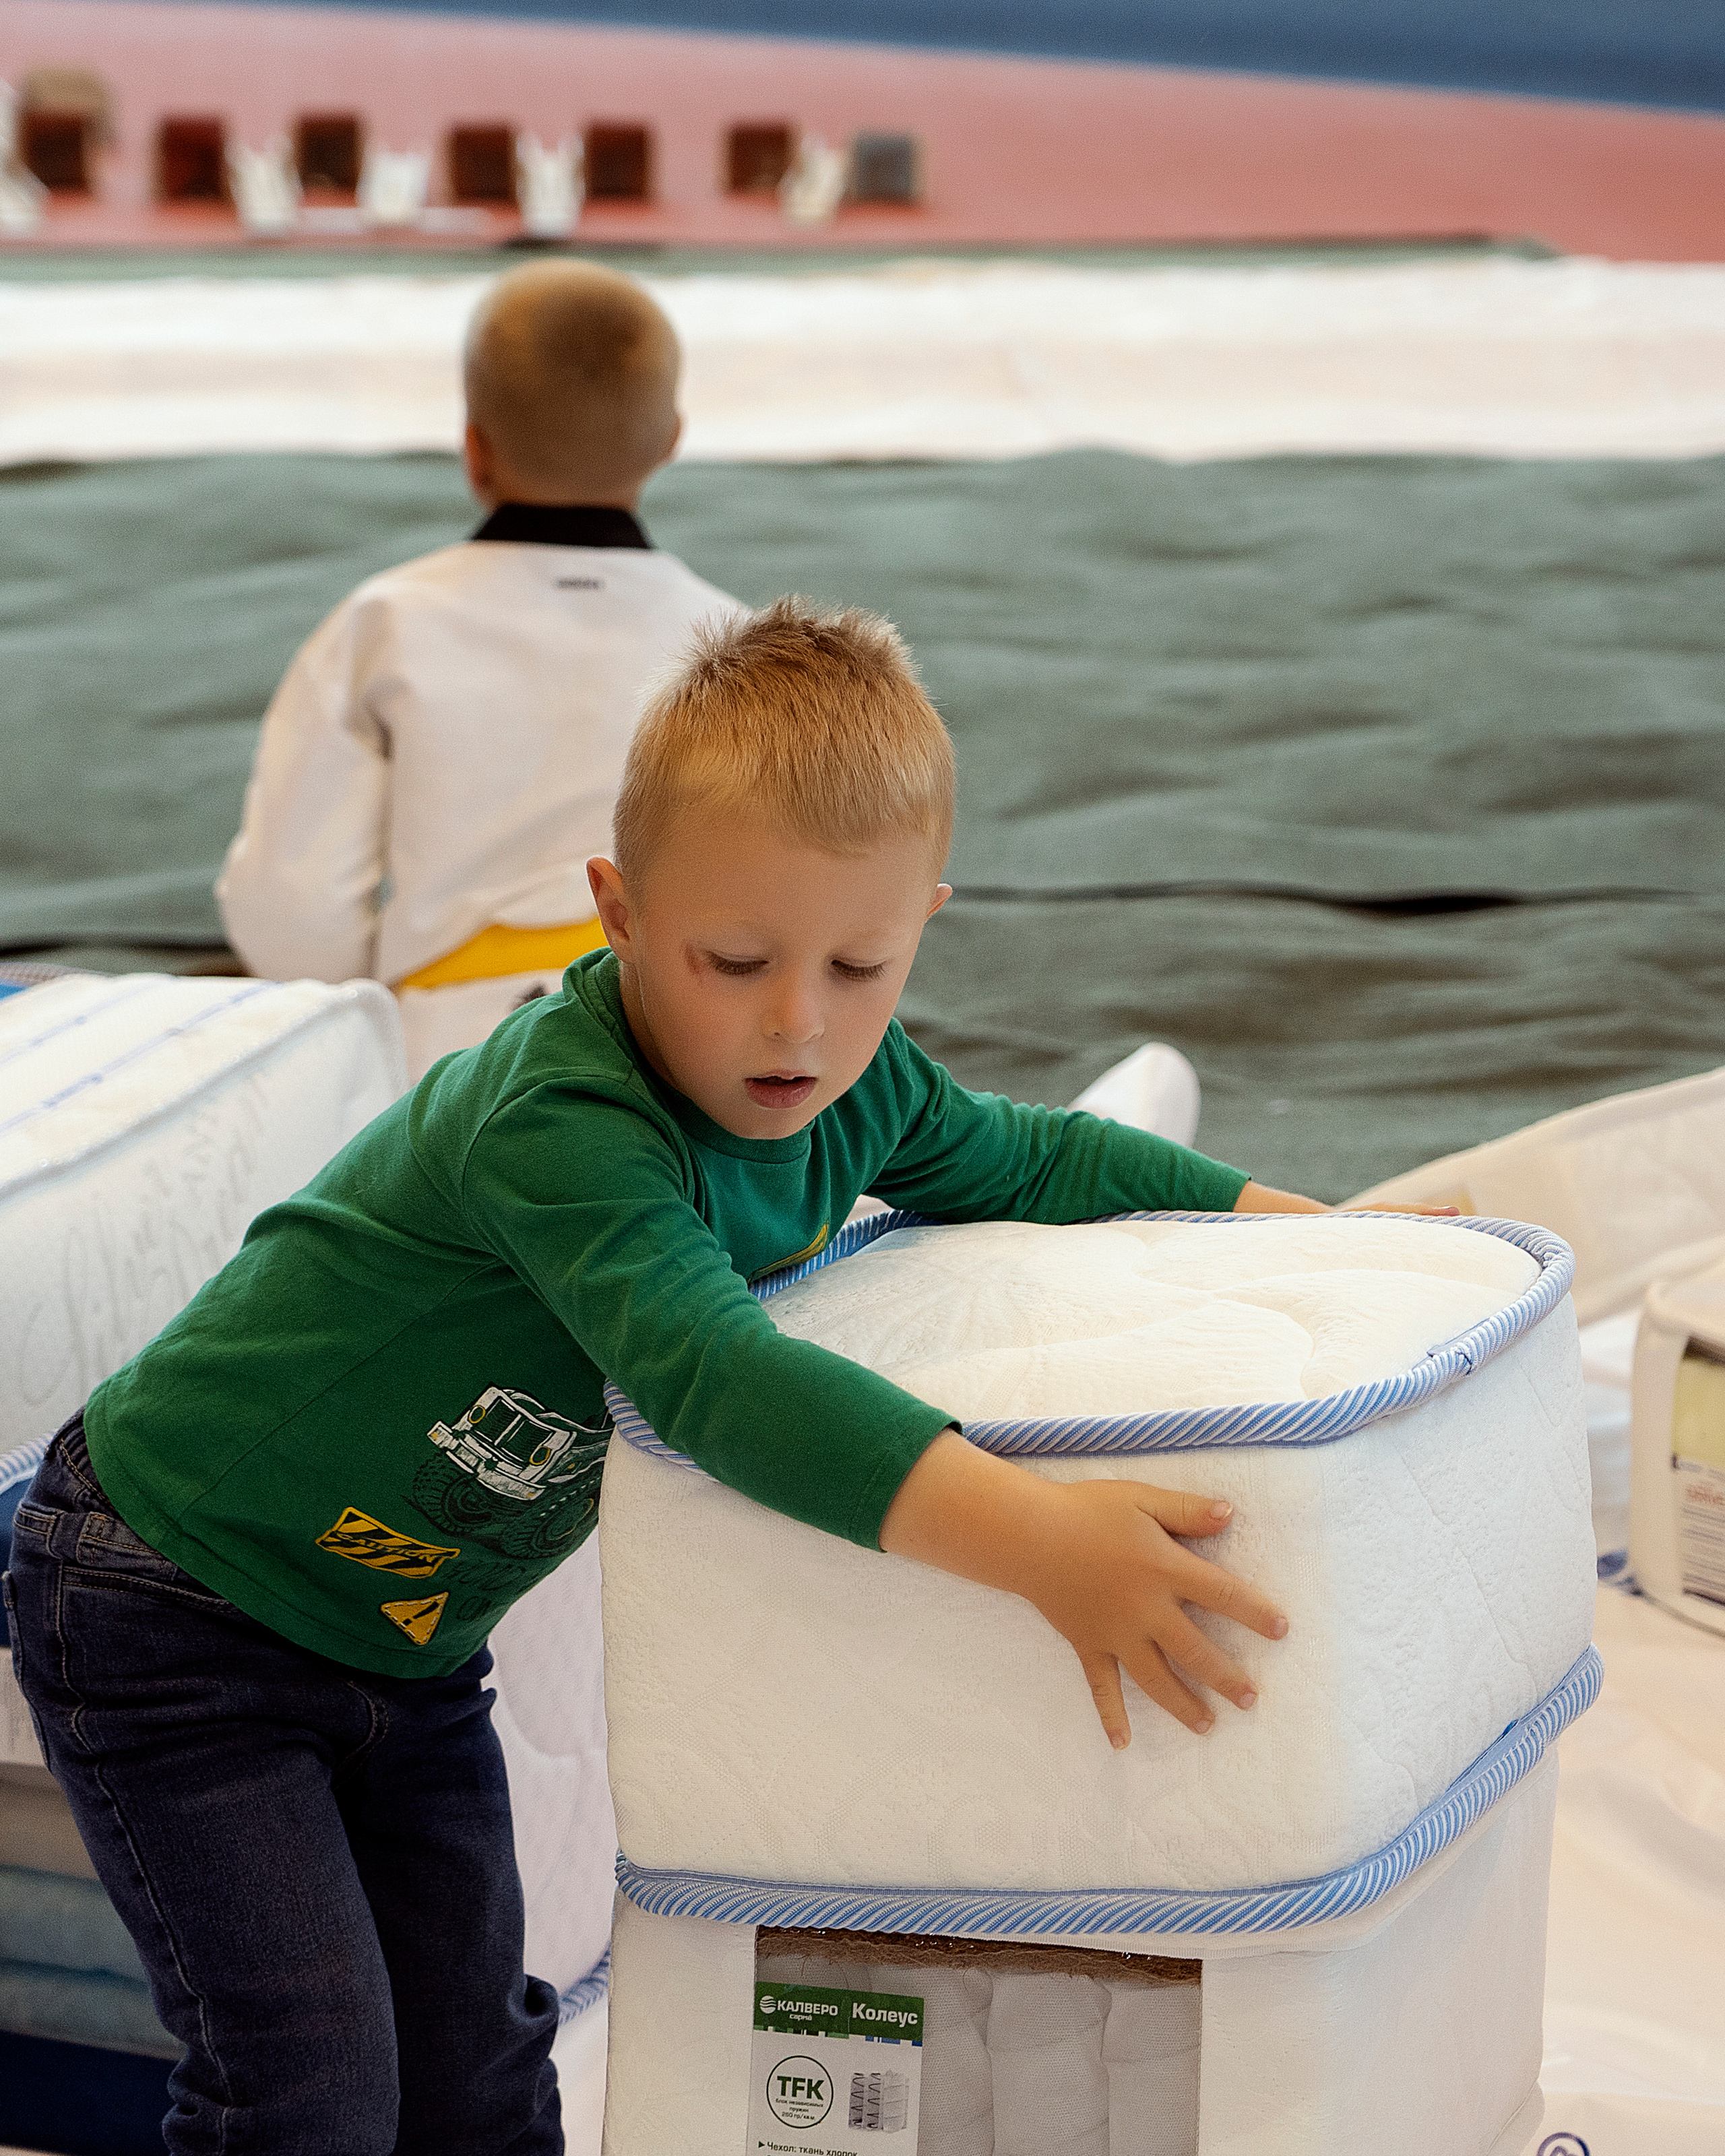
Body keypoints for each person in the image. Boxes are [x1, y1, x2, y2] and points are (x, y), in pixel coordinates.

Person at [9, 598, 1335, 2155]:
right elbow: (719, 1383)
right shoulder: (563, 1121)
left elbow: (1033, 1154)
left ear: (923, 922)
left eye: (860, 963)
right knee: (307, 2086)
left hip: (407, 1651)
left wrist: (1303, 1225)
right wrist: (1036, 1542)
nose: (797, 1022)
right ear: (617, 913)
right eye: (734, 960)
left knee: (479, 2080)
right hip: (172, 1605)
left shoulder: (859, 1084)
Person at [216, 259, 741, 1083]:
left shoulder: (383, 625)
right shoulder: (737, 643)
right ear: (671, 440)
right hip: (688, 1049)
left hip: (448, 1058)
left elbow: (293, 910)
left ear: (474, 448)